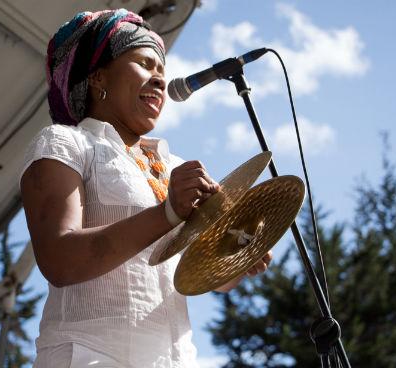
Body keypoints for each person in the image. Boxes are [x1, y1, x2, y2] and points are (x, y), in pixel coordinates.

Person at [19, 9, 272, 367]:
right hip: (91, 357)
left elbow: (204, 274)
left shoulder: (171, 165)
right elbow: (58, 259)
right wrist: (168, 212)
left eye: (162, 71)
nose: (158, 80)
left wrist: (237, 254)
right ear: (97, 77)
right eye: (144, 64)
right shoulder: (64, 143)